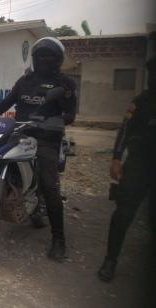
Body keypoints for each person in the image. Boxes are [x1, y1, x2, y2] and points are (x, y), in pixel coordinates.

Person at [0, 37, 77, 262]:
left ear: (57, 60)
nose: (44, 61)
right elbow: (6, 103)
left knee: (50, 185)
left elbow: (71, 115)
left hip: (47, 137)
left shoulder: (66, 84)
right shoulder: (25, 81)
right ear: (35, 59)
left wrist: (54, 119)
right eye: (40, 57)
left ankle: (59, 239)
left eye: (49, 57)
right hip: (20, 132)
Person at [98, 57, 156, 282]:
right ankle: (110, 259)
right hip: (139, 163)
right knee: (123, 214)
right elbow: (124, 130)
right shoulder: (141, 101)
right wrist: (116, 158)